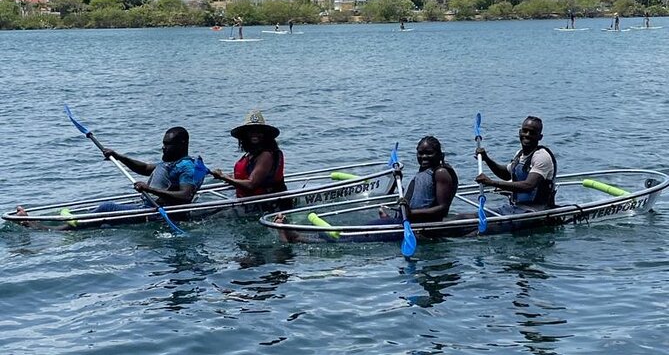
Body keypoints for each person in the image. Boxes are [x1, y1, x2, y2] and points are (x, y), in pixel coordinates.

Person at [275, 136, 458, 243]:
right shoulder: (422, 173)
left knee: (347, 238)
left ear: (439, 155)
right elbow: (406, 204)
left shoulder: (441, 173)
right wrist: (393, 213)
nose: (424, 157)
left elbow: (442, 209)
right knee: (357, 230)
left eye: (429, 153)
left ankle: (297, 238)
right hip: (404, 222)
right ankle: (301, 235)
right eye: (420, 153)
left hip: (419, 227)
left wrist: (411, 213)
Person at [16, 127, 203, 229]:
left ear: (182, 144)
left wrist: (149, 189)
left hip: (155, 213)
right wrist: (119, 156)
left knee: (107, 208)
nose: (163, 148)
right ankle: (71, 222)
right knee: (97, 210)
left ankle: (44, 229)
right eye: (163, 144)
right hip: (147, 206)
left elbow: (185, 196)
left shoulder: (185, 166)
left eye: (168, 145)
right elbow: (146, 168)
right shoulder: (171, 162)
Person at [474, 116, 557, 215]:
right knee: (464, 217)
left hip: (535, 212)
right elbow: (506, 174)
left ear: (540, 137)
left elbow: (528, 186)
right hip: (515, 208)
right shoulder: (520, 154)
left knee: (475, 227)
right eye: (525, 131)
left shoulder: (542, 157)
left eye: (532, 133)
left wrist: (492, 183)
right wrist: (487, 159)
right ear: (519, 132)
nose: (527, 135)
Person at [211, 110, 287, 200]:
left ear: (265, 134)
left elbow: (251, 185)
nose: (254, 134)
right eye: (250, 131)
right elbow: (247, 176)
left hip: (266, 204)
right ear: (245, 135)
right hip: (250, 202)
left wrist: (223, 177)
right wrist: (227, 176)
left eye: (258, 131)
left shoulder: (266, 155)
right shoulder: (251, 154)